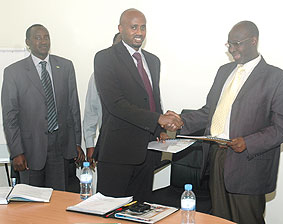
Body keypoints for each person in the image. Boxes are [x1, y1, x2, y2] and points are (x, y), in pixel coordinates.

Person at [175, 21, 283, 224]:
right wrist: (180, 121)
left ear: (253, 41)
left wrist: (248, 142)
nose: (231, 49)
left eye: (237, 43)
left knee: (247, 219)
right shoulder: (224, 71)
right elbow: (209, 113)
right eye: (229, 44)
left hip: (249, 164)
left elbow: (282, 127)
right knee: (219, 220)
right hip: (217, 157)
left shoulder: (278, 78)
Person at [93, 8, 183, 201]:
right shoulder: (104, 58)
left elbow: (152, 99)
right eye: (134, 27)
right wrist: (158, 118)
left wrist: (160, 128)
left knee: (141, 212)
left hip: (148, 152)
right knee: (110, 212)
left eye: (143, 27)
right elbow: (115, 104)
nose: (139, 32)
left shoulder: (153, 60)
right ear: (121, 28)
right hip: (117, 153)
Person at [1, 24, 85, 190]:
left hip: (60, 147)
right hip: (29, 149)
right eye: (37, 38)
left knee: (58, 199)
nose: (43, 41)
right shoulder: (13, 72)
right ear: (28, 42)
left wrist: (76, 142)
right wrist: (16, 152)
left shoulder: (65, 67)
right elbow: (10, 117)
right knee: (31, 203)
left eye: (46, 37)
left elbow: (73, 108)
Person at [83, 32, 122, 169]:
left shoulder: (142, 74)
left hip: (138, 148)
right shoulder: (97, 76)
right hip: (108, 143)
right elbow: (91, 112)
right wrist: (90, 145)